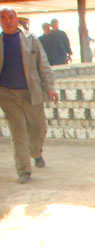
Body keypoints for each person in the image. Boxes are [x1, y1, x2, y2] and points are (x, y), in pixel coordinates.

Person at [0, 8, 58, 184]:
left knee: (39, 128)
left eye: (11, 17)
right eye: (3, 18)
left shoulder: (30, 40)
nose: (8, 21)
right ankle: (23, 170)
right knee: (18, 132)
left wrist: (50, 88)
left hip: (32, 92)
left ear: (17, 19)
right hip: (7, 95)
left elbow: (43, 65)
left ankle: (36, 152)